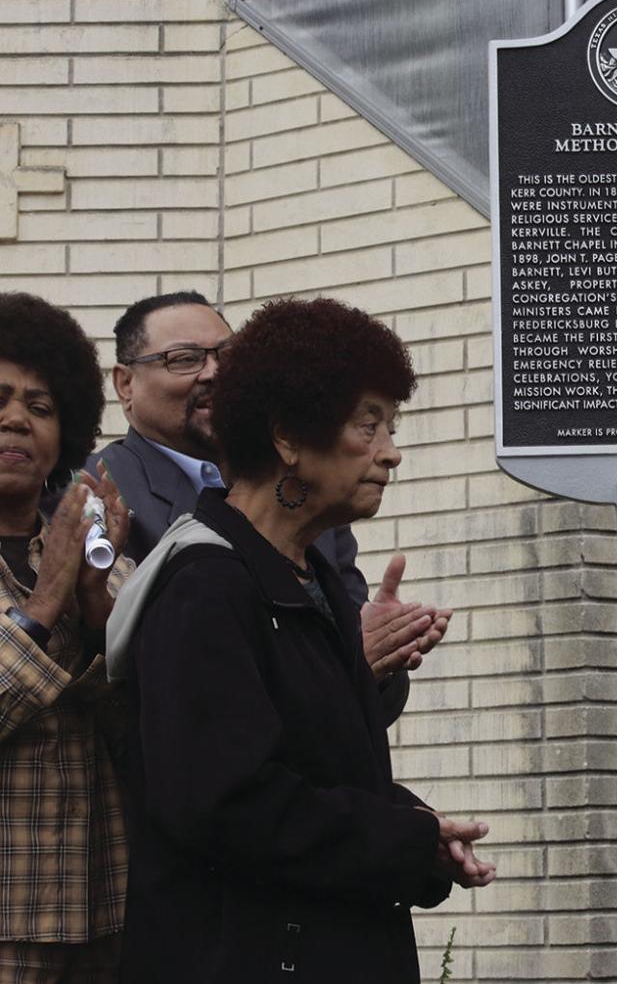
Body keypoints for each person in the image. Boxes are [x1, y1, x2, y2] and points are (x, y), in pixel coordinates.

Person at [105, 298, 494, 984]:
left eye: (392, 426)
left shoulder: (313, 579)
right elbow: (229, 804)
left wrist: (422, 832)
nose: (391, 451)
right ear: (286, 436)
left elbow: (319, 775)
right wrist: (406, 837)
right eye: (368, 424)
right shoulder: (205, 585)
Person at [88, 290, 445, 723]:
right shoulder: (95, 492)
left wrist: (380, 657)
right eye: (184, 359)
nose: (214, 372)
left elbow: (362, 686)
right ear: (125, 384)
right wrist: (341, 668)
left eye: (227, 355)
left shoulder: (310, 503)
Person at [0, 294, 134, 982]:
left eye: (41, 406)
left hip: (103, 919)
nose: (16, 418)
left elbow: (151, 725)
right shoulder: (58, 566)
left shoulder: (99, 559)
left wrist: (97, 605)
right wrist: (48, 599)